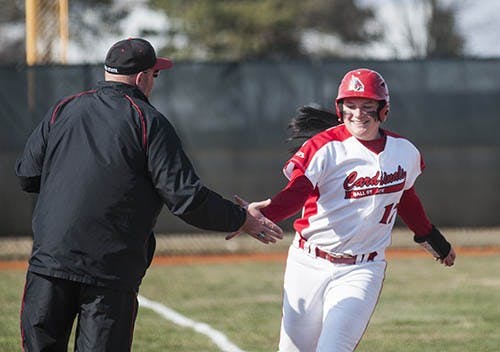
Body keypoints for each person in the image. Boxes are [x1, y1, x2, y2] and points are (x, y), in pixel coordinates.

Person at [15, 37, 282, 352]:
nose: (154, 81)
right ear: (142, 77)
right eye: (155, 74)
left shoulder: (64, 108)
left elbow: (27, 176)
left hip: (50, 262)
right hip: (109, 270)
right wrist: (242, 219)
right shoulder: (148, 120)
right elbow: (186, 199)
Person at [227, 68, 456, 352]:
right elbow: (298, 192)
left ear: (383, 110)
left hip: (363, 268)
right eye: (351, 106)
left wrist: (431, 238)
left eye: (367, 107)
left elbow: (405, 197)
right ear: (340, 108)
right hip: (308, 263)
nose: (358, 114)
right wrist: (265, 213)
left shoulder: (403, 150)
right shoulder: (325, 147)